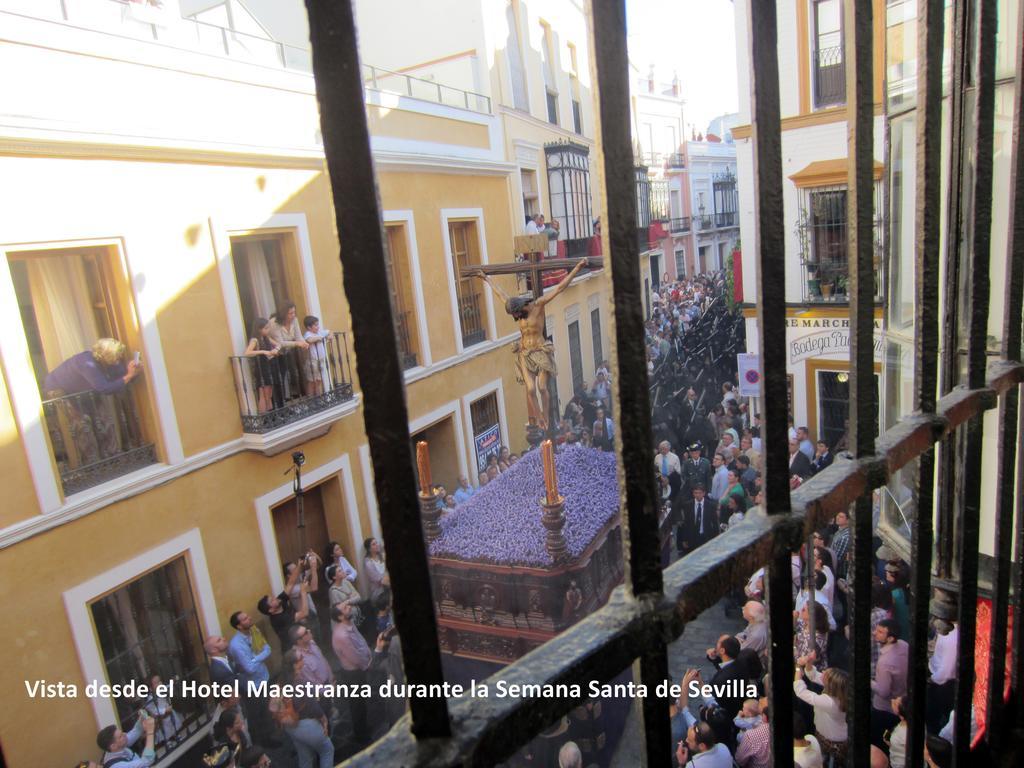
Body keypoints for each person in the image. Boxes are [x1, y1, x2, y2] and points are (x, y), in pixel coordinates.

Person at [472, 259, 586, 429]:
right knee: (530, 389)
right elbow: (500, 294)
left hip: (540, 351)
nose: (516, 317)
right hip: (525, 353)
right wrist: (486, 279)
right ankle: (539, 417)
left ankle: (546, 416)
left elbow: (559, 288)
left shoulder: (538, 306)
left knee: (541, 387)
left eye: (517, 313)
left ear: (521, 307)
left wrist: (577, 267)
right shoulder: (515, 309)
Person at [276, 648, 334, 768]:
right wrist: (323, 718)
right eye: (301, 658)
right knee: (327, 750)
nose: (303, 659)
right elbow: (312, 705)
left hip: (290, 725)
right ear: (295, 664)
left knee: (305, 757)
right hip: (305, 725)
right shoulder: (299, 683)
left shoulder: (281, 680)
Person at [227, 611, 273, 745]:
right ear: (239, 626)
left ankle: (268, 737)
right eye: (245, 618)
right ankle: (260, 742)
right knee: (257, 714)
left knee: (266, 710)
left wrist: (255, 658)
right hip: (253, 686)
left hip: (264, 677)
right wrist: (260, 657)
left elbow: (268, 649)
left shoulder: (254, 631)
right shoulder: (236, 645)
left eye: (247, 616)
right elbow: (249, 669)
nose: (250, 618)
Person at [331, 602, 373, 746]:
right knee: (357, 705)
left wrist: (368, 654)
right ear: (340, 616)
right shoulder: (341, 635)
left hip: (359, 669)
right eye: (345, 608)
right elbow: (354, 656)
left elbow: (360, 642)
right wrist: (367, 665)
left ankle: (364, 727)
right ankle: (361, 735)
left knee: (361, 702)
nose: (349, 607)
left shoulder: (349, 624)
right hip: (353, 674)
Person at [794, 661, 848, 763]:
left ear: (830, 684)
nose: (822, 672)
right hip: (835, 734)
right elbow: (814, 676)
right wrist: (808, 662)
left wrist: (797, 668)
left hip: (831, 741)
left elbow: (800, 691)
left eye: (825, 674)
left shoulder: (830, 702)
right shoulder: (840, 691)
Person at [257, 570, 313, 649]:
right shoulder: (279, 619)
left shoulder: (280, 601)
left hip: (302, 638)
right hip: (294, 647)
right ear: (271, 610)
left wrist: (299, 566)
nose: (275, 598)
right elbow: (304, 613)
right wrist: (303, 591)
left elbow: (290, 583)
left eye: (272, 597)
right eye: (272, 600)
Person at [244, 318, 281, 414]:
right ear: (259, 329)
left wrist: (276, 349)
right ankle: (264, 417)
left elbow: (279, 344)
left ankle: (270, 415)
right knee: (263, 394)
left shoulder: (266, 338)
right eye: (266, 328)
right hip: (261, 368)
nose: (268, 330)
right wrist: (263, 351)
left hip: (268, 367)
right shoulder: (255, 340)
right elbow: (247, 352)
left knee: (269, 393)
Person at [677, 484, 719, 555]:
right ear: (693, 493)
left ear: (704, 493)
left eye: (699, 493)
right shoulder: (688, 505)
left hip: (706, 536)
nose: (697, 495)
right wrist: (684, 539)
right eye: (695, 493)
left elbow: (715, 523)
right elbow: (686, 523)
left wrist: (717, 539)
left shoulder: (710, 505)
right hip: (692, 537)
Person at [302, 315, 331, 396]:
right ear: (309, 327)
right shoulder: (308, 334)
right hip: (313, 361)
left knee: (319, 380)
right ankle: (310, 400)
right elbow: (309, 340)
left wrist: (329, 336)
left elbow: (328, 332)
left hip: (321, 360)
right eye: (315, 325)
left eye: (318, 324)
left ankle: (318, 398)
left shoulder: (319, 333)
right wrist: (320, 338)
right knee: (312, 381)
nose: (318, 327)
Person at [327, 563, 361, 629]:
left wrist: (347, 601)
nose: (343, 571)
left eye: (341, 570)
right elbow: (341, 610)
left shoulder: (346, 582)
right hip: (346, 621)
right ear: (334, 577)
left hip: (356, 615)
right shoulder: (333, 591)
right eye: (339, 571)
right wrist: (351, 598)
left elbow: (358, 597)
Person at [363, 537, 389, 602]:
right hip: (379, 591)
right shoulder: (368, 563)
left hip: (387, 585)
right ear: (369, 549)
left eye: (376, 543)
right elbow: (381, 581)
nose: (377, 545)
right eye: (374, 544)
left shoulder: (382, 555)